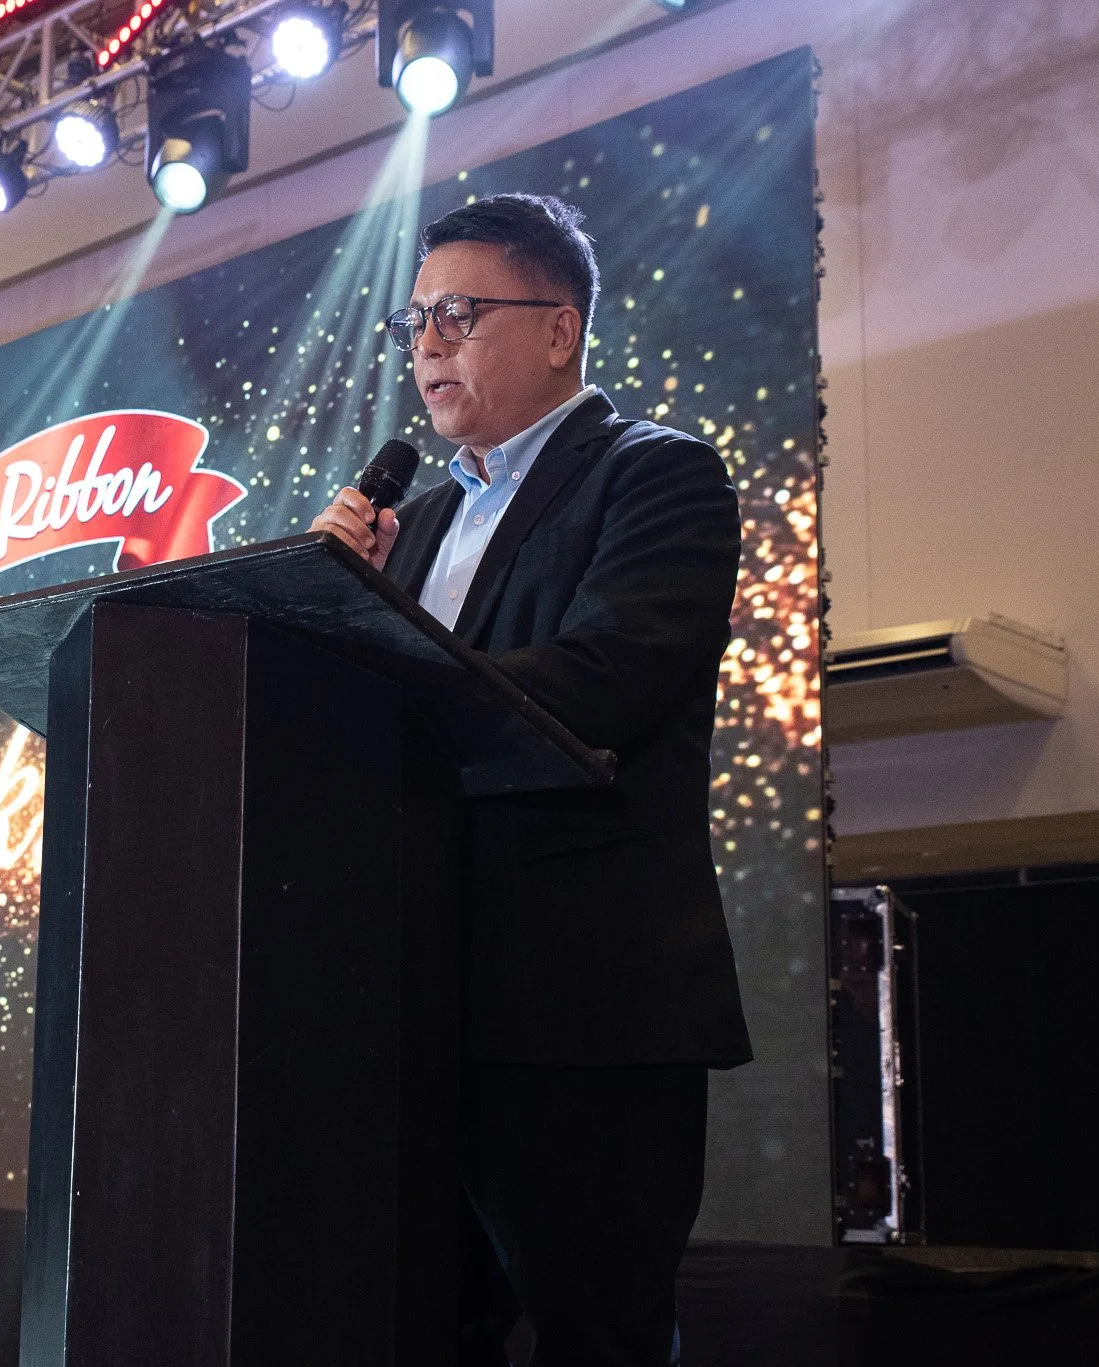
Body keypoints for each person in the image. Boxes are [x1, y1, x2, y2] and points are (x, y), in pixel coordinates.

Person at [310, 194, 751, 1366]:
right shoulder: (412, 522)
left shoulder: (655, 473)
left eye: (458, 312)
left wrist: (383, 665)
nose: (426, 343)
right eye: (413, 320)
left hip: (576, 1006)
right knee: (407, 1327)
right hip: (408, 1000)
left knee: (594, 1335)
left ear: (559, 329)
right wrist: (332, 606)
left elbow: (607, 676)